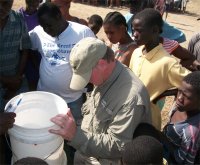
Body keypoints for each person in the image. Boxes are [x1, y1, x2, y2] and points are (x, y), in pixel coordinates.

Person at [49, 37, 152, 164]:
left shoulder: (131, 98)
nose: (86, 81)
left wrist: (75, 135)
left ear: (102, 64)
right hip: (85, 149)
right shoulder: (106, 76)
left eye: (87, 75)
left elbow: (119, 146)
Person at [129, 8, 190, 130]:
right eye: (133, 29)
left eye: (139, 31)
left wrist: (163, 94)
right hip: (129, 115)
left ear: (155, 30)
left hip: (147, 122)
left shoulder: (167, 63)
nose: (134, 34)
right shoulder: (136, 52)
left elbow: (192, 84)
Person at [162, 71, 200, 164]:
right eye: (179, 91)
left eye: (186, 96)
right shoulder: (182, 106)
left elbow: (184, 160)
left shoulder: (191, 132)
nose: (179, 98)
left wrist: (161, 138)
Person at [19, 0, 42, 91]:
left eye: (37, 0)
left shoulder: (41, 16)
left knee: (34, 82)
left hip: (36, 55)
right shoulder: (17, 15)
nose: (33, 2)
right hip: (20, 54)